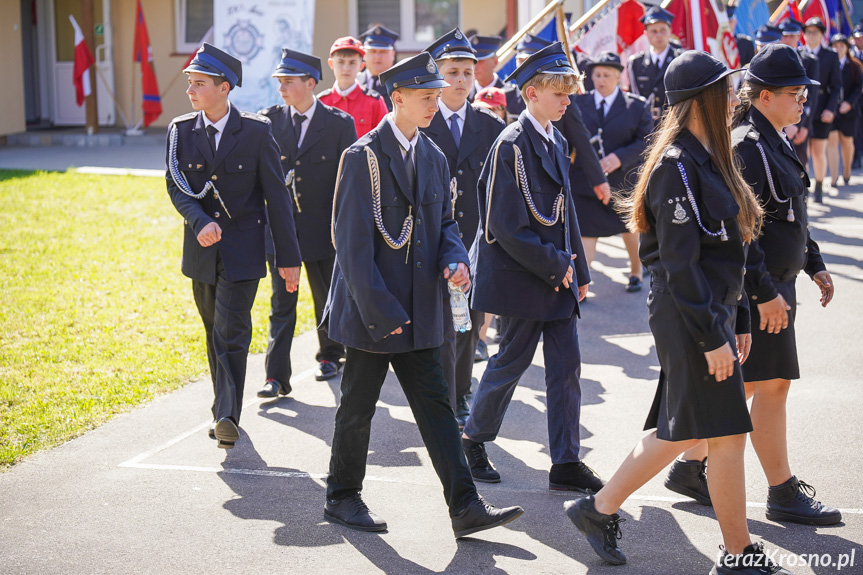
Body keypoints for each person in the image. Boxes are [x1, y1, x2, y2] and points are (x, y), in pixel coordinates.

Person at [565, 51, 792, 575]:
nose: (733, 98)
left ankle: (598, 509)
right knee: (723, 436)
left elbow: (728, 249)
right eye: (723, 90)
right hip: (688, 317)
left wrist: (735, 320)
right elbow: (681, 267)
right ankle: (738, 555)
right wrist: (713, 337)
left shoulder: (709, 157)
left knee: (684, 431)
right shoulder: (676, 167)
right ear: (697, 102)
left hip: (711, 313)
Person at [322, 51, 524, 538]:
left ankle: (465, 506)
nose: (436, 103)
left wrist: (455, 258)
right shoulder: (362, 157)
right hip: (376, 311)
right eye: (426, 96)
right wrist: (382, 311)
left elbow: (447, 223)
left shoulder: (433, 157)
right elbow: (349, 247)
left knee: (437, 407)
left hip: (421, 308)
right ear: (397, 98)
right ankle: (342, 496)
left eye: (437, 95)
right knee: (357, 408)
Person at [462, 42, 605, 495]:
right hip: (521, 275)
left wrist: (579, 271)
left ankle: (565, 461)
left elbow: (565, 216)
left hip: (557, 274)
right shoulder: (512, 144)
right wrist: (557, 265)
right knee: (511, 361)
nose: (566, 100)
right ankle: (472, 440)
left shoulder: (555, 138)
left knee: (566, 368)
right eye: (558, 92)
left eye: (568, 92)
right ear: (530, 93)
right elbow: (504, 226)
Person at [165, 44, 302, 449]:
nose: (190, 90)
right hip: (202, 252)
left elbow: (277, 199)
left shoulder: (257, 131)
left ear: (224, 88)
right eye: (190, 83)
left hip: (243, 251)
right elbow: (176, 185)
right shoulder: (180, 131)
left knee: (231, 330)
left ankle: (227, 415)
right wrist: (199, 219)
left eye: (200, 83)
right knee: (213, 332)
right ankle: (220, 408)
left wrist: (289, 260)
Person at [729, 44, 840, 526]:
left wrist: (813, 261)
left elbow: (792, 214)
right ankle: (782, 491)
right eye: (795, 93)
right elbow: (744, 230)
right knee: (765, 387)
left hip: (778, 284)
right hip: (760, 289)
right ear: (765, 95)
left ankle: (690, 467)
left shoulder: (774, 137)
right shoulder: (747, 145)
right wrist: (764, 293)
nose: (803, 102)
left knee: (754, 387)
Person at [419, 28, 507, 429]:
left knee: (467, 324)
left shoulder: (490, 126)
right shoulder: (421, 121)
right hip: (429, 239)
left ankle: (460, 393)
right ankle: (439, 396)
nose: (459, 80)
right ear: (437, 73)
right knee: (435, 322)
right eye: (452, 71)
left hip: (474, 242)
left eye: (467, 73)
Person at [257, 48, 357, 393]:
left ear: (311, 83)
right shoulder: (267, 121)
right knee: (281, 303)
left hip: (322, 229)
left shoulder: (339, 124)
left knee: (325, 296)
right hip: (282, 230)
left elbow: (349, 183)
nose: (282, 87)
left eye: (289, 81)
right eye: (280, 81)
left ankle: (330, 354)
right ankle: (275, 376)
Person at [570, 52, 652, 293]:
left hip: (622, 180)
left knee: (629, 230)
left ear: (618, 77)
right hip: (585, 181)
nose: (601, 80)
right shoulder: (578, 103)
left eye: (607, 75)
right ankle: (582, 283)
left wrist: (620, 157)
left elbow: (646, 140)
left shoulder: (636, 106)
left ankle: (636, 272)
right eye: (597, 75)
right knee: (586, 232)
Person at [802, 17, 842, 202]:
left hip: (822, 109)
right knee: (804, 152)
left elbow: (836, 86)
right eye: (808, 32)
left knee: (819, 151)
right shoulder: (798, 53)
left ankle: (819, 184)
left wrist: (831, 110)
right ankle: (805, 187)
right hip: (801, 111)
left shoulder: (830, 55)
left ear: (821, 34)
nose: (811, 36)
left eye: (815, 32)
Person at [318, 36, 389, 139]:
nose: (346, 68)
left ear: (361, 66)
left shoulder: (374, 102)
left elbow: (385, 139)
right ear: (331, 64)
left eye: (352, 62)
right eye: (341, 62)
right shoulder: (321, 102)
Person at [627, 5, 684, 123]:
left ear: (670, 31)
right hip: (645, 127)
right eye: (653, 31)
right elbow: (635, 98)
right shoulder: (635, 63)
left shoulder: (680, 60)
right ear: (646, 34)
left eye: (663, 30)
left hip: (674, 124)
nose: (658, 35)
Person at [777, 19, 819, 170]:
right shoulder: (773, 60)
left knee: (800, 164)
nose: (788, 40)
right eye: (785, 36)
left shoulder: (809, 61)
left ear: (798, 37)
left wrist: (802, 125)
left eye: (792, 36)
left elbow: (811, 97)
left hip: (800, 120)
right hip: (779, 122)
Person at [828, 33, 863, 186]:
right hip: (832, 110)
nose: (838, 49)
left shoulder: (854, 65)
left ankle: (847, 172)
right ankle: (834, 178)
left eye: (841, 46)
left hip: (849, 111)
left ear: (847, 48)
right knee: (832, 141)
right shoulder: (827, 64)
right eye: (835, 46)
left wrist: (849, 103)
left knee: (847, 142)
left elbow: (858, 87)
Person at [503, 34, 554, 119]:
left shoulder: (559, 99)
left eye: (528, 61)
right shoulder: (506, 96)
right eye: (521, 60)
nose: (524, 66)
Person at [356, 24, 399, 112]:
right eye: (373, 51)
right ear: (364, 54)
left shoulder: (402, 83)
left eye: (383, 51)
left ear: (393, 55)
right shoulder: (354, 82)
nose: (377, 56)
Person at [467, 34, 505, 102]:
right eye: (472, 62)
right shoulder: (464, 96)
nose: (475, 67)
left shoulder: (512, 95)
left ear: (495, 62)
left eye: (480, 61)